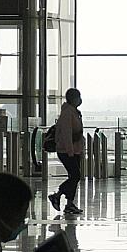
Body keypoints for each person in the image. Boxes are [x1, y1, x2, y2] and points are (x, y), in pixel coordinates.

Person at [48, 88, 85, 216]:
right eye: (78, 97)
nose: (80, 100)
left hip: (75, 150)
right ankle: (57, 195)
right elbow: (66, 133)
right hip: (67, 151)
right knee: (75, 176)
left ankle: (69, 204)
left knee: (73, 177)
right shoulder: (68, 113)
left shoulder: (74, 112)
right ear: (73, 99)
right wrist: (70, 151)